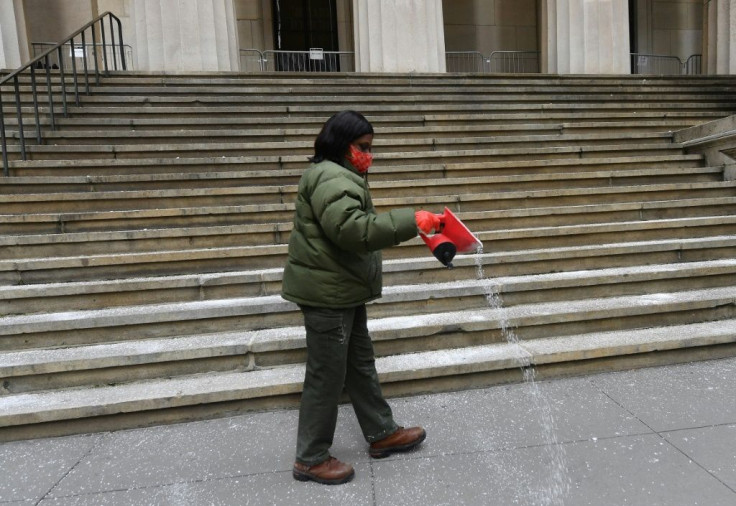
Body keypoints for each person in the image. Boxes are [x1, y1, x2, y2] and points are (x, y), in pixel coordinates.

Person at [281, 110, 442, 485]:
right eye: (363, 147)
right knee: (326, 376)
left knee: (359, 364)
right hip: (329, 295)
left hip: (341, 289)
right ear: (342, 144)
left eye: (370, 148)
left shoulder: (338, 175)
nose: (368, 155)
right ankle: (310, 458)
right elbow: (352, 230)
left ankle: (381, 432)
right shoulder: (331, 178)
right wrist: (411, 222)